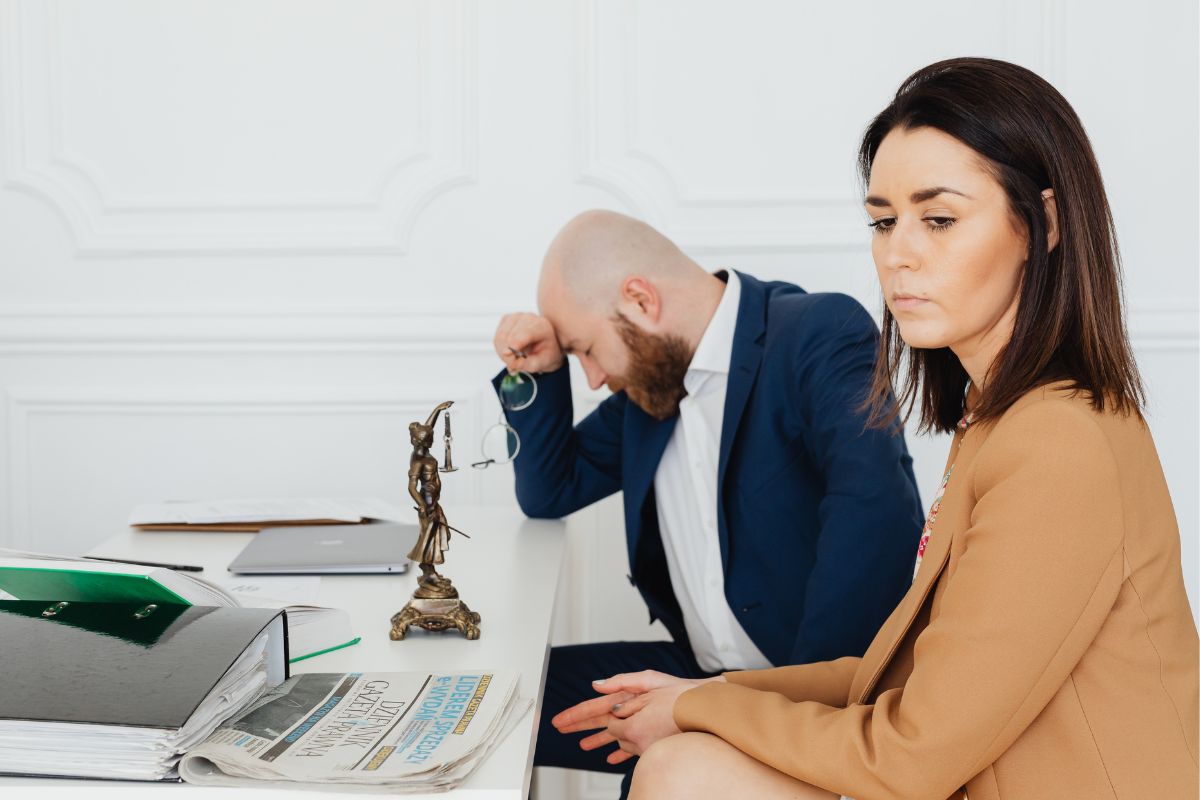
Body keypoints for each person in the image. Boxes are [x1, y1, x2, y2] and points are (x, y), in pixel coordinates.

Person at [552, 57, 1200, 800]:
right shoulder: (996, 422)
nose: (899, 254)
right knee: (680, 757)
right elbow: (897, 671)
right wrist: (699, 697)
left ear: (1042, 225)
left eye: (940, 219)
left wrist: (702, 707)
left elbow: (910, 757)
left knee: (682, 769)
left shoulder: (1060, 444)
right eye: (884, 221)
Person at [490, 209, 926, 791]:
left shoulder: (817, 332)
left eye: (586, 349)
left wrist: (744, 711)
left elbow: (877, 519)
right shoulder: (651, 388)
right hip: (696, 674)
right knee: (498, 701)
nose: (592, 379)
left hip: (804, 693)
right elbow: (550, 491)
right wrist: (541, 373)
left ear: (640, 300)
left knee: (654, 776)